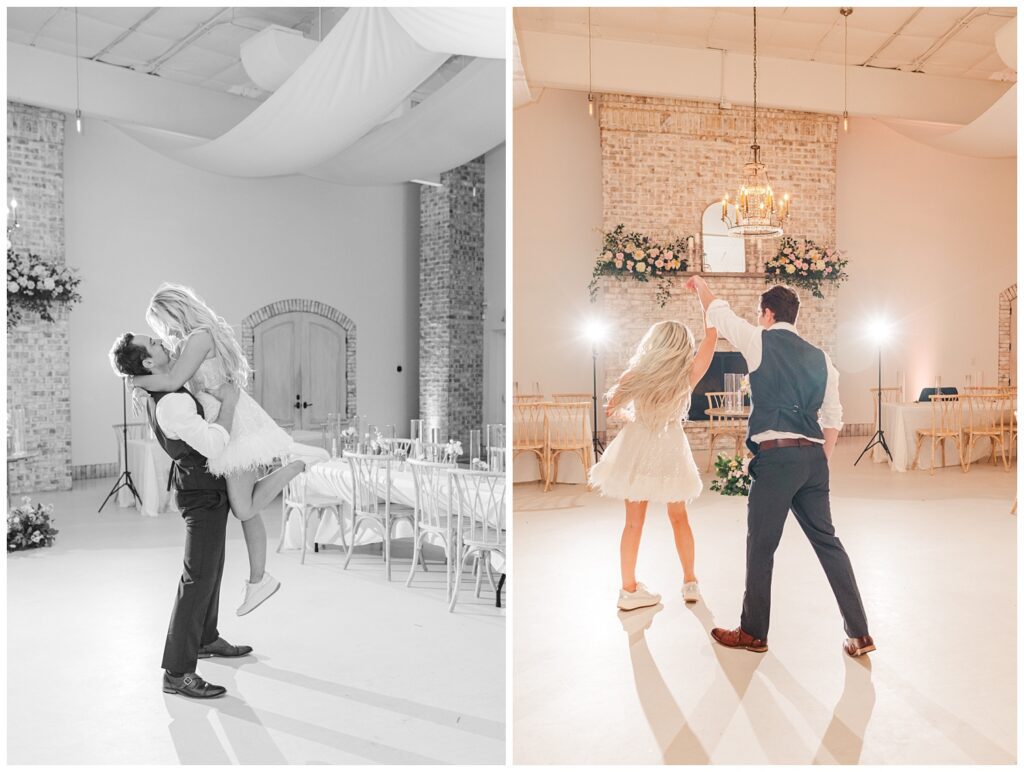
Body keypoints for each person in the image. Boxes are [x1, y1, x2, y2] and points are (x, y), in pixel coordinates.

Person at [687, 277, 875, 658]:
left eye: (761, 313)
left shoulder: (760, 340)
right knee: (829, 543)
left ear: (768, 314)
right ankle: (860, 633)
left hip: (776, 459)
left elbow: (718, 313)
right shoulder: (821, 358)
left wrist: (701, 287)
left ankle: (754, 633)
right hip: (814, 460)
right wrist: (818, 460)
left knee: (761, 546)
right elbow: (834, 416)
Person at [130, 284, 305, 616]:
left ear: (173, 311)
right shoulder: (190, 339)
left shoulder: (200, 336)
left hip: (233, 423)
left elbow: (171, 382)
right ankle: (258, 580)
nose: (162, 332)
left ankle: (296, 465)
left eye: (160, 323)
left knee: (242, 507)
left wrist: (134, 381)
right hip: (222, 421)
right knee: (247, 509)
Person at [110, 332, 254, 699]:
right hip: (200, 491)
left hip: (206, 487)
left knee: (212, 570)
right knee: (197, 578)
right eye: (154, 345)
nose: (162, 343)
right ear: (147, 363)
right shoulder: (171, 403)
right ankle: (177, 672)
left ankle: (206, 638)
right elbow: (213, 443)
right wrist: (232, 404)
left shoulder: (163, 390)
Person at [589, 313, 717, 611]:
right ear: (682, 346)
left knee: (633, 522)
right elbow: (711, 338)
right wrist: (703, 295)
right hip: (670, 443)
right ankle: (690, 582)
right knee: (679, 517)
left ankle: (629, 590)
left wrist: (635, 417)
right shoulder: (687, 374)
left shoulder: (635, 375)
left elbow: (611, 410)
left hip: (637, 444)